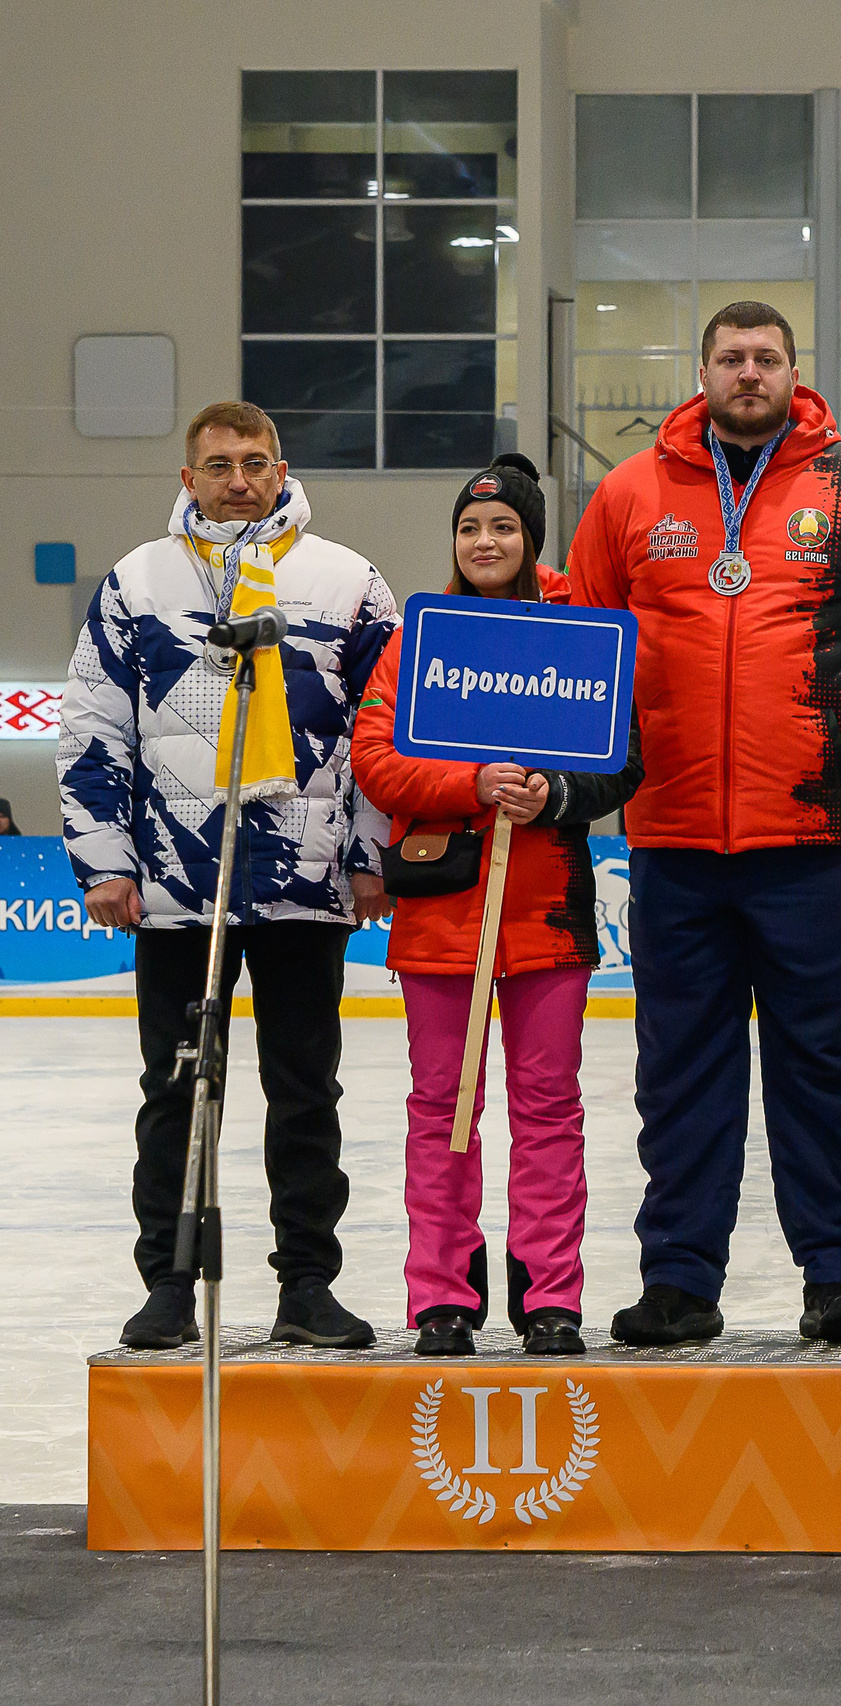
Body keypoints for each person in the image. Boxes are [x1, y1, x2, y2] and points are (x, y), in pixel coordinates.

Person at [568, 302, 841, 1349]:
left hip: (813, 834)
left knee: (824, 1065)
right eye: (730, 357)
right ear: (701, 368)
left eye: (766, 358)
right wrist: (581, 788)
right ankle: (678, 1278)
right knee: (680, 1073)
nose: (747, 372)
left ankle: (838, 1275)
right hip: (672, 838)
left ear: (794, 371)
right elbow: (582, 646)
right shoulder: (629, 491)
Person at [58, 400, 396, 1351]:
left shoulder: (347, 582)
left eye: (254, 461)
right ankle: (169, 1280)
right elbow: (92, 729)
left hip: (304, 883)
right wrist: (106, 862)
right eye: (219, 464)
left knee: (305, 1091)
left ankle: (307, 1285)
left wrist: (368, 857)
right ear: (188, 477)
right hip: (174, 887)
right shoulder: (137, 582)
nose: (238, 479)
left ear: (282, 469)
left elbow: (383, 729)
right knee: (175, 1090)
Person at [352, 456, 644, 1357]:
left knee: (550, 1109)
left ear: (530, 539)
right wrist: (471, 783)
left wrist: (551, 794)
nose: (486, 542)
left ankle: (549, 1294)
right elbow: (376, 757)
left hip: (547, 918)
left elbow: (619, 762)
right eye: (471, 529)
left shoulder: (582, 628)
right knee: (442, 1108)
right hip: (443, 920)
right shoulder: (422, 635)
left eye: (504, 528)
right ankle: (442, 1293)